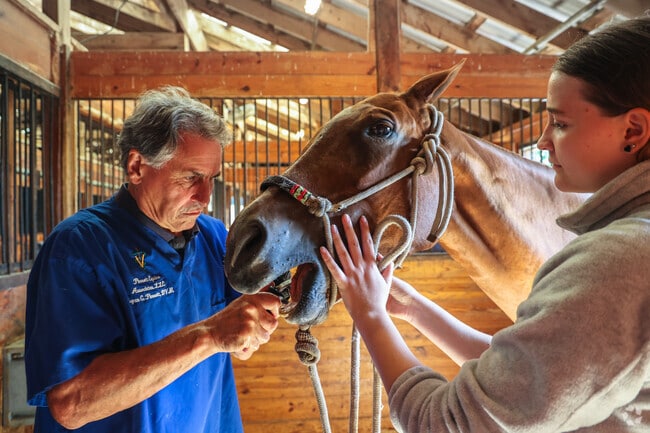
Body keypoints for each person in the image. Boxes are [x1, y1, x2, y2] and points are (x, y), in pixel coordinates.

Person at [320, 15, 650, 432]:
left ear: (633, 130)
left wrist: (370, 316)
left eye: (562, 124)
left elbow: (448, 423)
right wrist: (412, 308)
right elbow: (534, 372)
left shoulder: (619, 260)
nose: (545, 140)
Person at [24, 86, 281, 432]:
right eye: (191, 177)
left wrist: (254, 327)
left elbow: (245, 327)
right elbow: (70, 403)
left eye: (210, 179)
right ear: (136, 167)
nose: (205, 196)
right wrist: (209, 336)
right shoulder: (79, 247)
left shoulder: (213, 236)